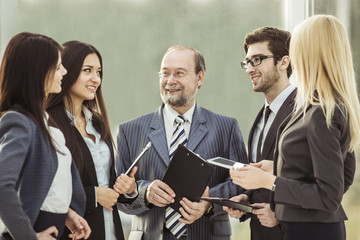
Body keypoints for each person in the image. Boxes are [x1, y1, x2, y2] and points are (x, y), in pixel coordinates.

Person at [229, 15, 360, 240]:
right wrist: (278, 168)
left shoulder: (323, 111)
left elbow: (329, 195)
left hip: (312, 232)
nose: (293, 56)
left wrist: (267, 181)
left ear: (311, 52)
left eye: (297, 46)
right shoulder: (313, 105)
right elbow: (343, 175)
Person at [115, 45, 248, 240]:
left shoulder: (226, 127)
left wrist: (209, 201)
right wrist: (145, 192)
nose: (170, 81)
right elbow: (118, 195)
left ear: (199, 77)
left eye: (179, 73)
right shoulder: (129, 131)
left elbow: (242, 184)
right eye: (165, 73)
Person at [0, 32, 91, 240]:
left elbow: (44, 184)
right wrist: (28, 238)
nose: (65, 72)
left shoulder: (44, 123)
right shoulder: (19, 121)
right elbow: (2, 185)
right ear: (38, 72)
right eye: (58, 67)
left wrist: (67, 213)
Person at [46, 40, 137, 240]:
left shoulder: (97, 123)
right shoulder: (48, 124)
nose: (96, 78)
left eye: (98, 72)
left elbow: (106, 183)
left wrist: (128, 189)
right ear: (65, 71)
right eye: (87, 70)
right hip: (72, 234)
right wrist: (93, 197)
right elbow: (44, 190)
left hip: (110, 232)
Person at [223, 27, 295, 240]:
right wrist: (246, 198)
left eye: (258, 59)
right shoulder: (260, 117)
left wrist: (282, 214)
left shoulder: (306, 111)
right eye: (247, 62)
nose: (249, 69)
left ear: (283, 62)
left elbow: (321, 183)